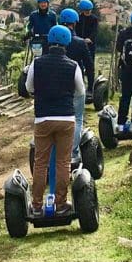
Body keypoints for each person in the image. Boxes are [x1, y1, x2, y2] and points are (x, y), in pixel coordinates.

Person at [25, 25, 84, 214]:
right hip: (66, 118)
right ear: (67, 43)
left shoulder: (36, 63)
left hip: (43, 118)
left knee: (40, 163)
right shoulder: (73, 65)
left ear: (49, 40)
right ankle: (60, 204)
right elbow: (81, 91)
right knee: (63, 162)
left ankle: (36, 206)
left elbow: (29, 87)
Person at [58, 8, 94, 162]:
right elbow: (90, 66)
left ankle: (58, 148)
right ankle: (73, 151)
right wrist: (91, 87)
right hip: (75, 81)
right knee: (77, 118)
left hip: (56, 83)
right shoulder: (80, 42)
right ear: (75, 23)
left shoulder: (52, 42)